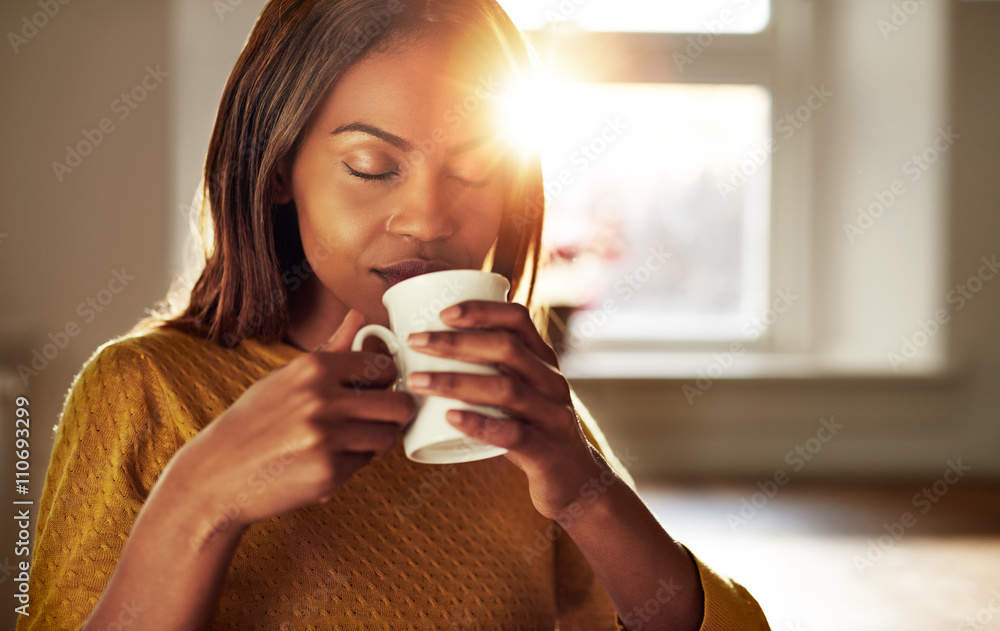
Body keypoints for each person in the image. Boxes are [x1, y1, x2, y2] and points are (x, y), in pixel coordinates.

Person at [20, 0, 771, 629]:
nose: (427, 217)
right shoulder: (142, 392)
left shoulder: (516, 404)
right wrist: (201, 499)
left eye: (475, 168)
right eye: (372, 167)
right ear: (278, 166)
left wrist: (585, 488)